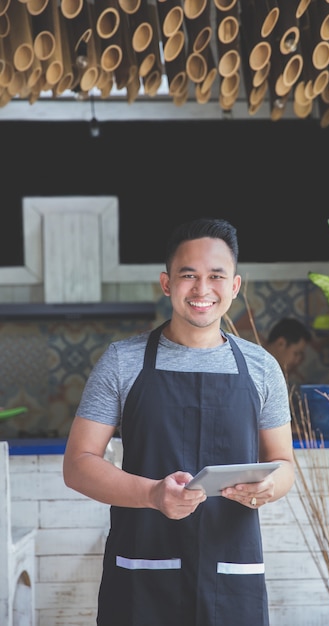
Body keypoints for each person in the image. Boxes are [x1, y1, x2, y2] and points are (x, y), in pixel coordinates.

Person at [63, 217, 295, 626]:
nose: (202, 289)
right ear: (167, 283)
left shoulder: (262, 368)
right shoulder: (123, 361)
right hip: (142, 578)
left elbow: (285, 465)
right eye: (188, 275)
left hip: (232, 577)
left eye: (216, 276)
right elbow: (78, 464)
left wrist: (267, 487)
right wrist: (154, 494)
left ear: (235, 286)